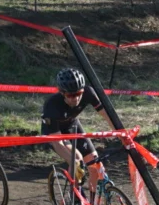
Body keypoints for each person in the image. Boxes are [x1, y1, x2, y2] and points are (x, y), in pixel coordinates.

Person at [42, 68, 111, 197]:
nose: (76, 98)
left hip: (72, 125)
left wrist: (121, 134)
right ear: (62, 93)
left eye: (79, 93)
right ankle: (75, 200)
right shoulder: (52, 105)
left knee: (95, 164)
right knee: (77, 160)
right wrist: (72, 162)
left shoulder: (88, 92)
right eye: (71, 95)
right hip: (55, 133)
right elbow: (57, 142)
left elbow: (107, 114)